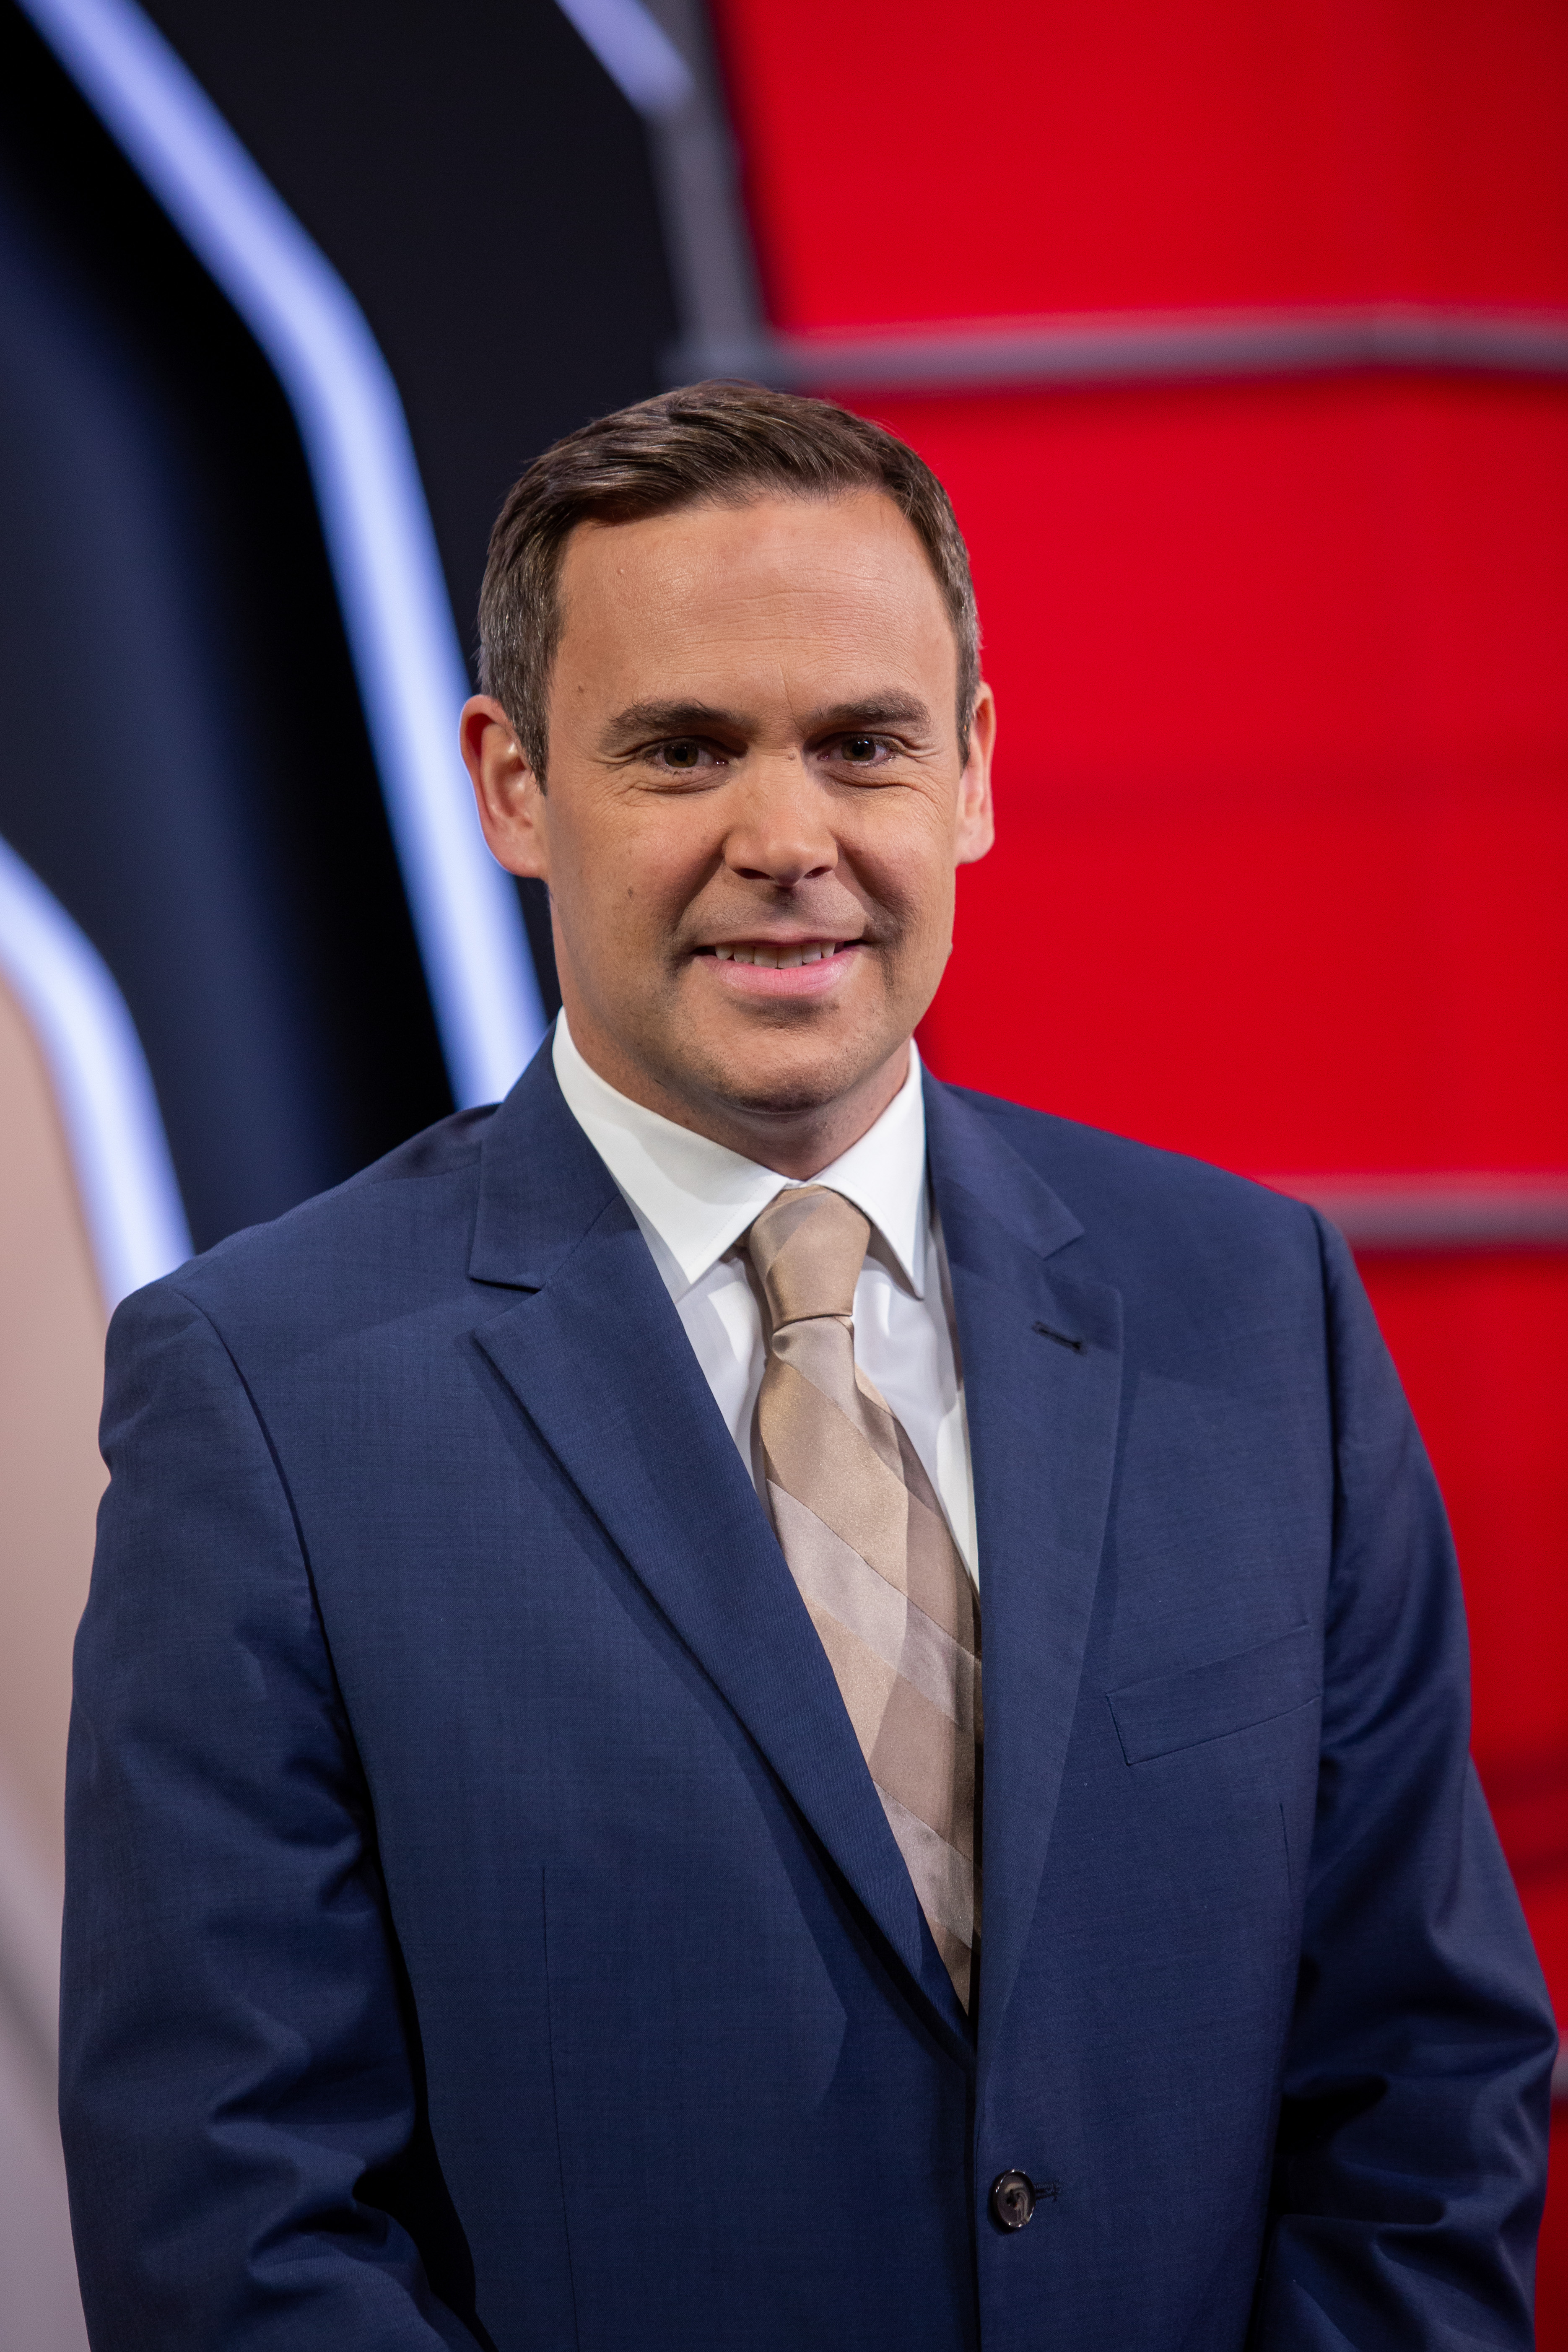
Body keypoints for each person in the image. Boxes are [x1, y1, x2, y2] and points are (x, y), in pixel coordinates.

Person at [61, 383, 1552, 2351]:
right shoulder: (265, 1390)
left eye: (861, 743)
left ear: (973, 769)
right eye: (683, 749)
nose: (786, 841)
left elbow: (1424, 2081)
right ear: (512, 786)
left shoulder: (1254, 1307)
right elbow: (232, 2209)